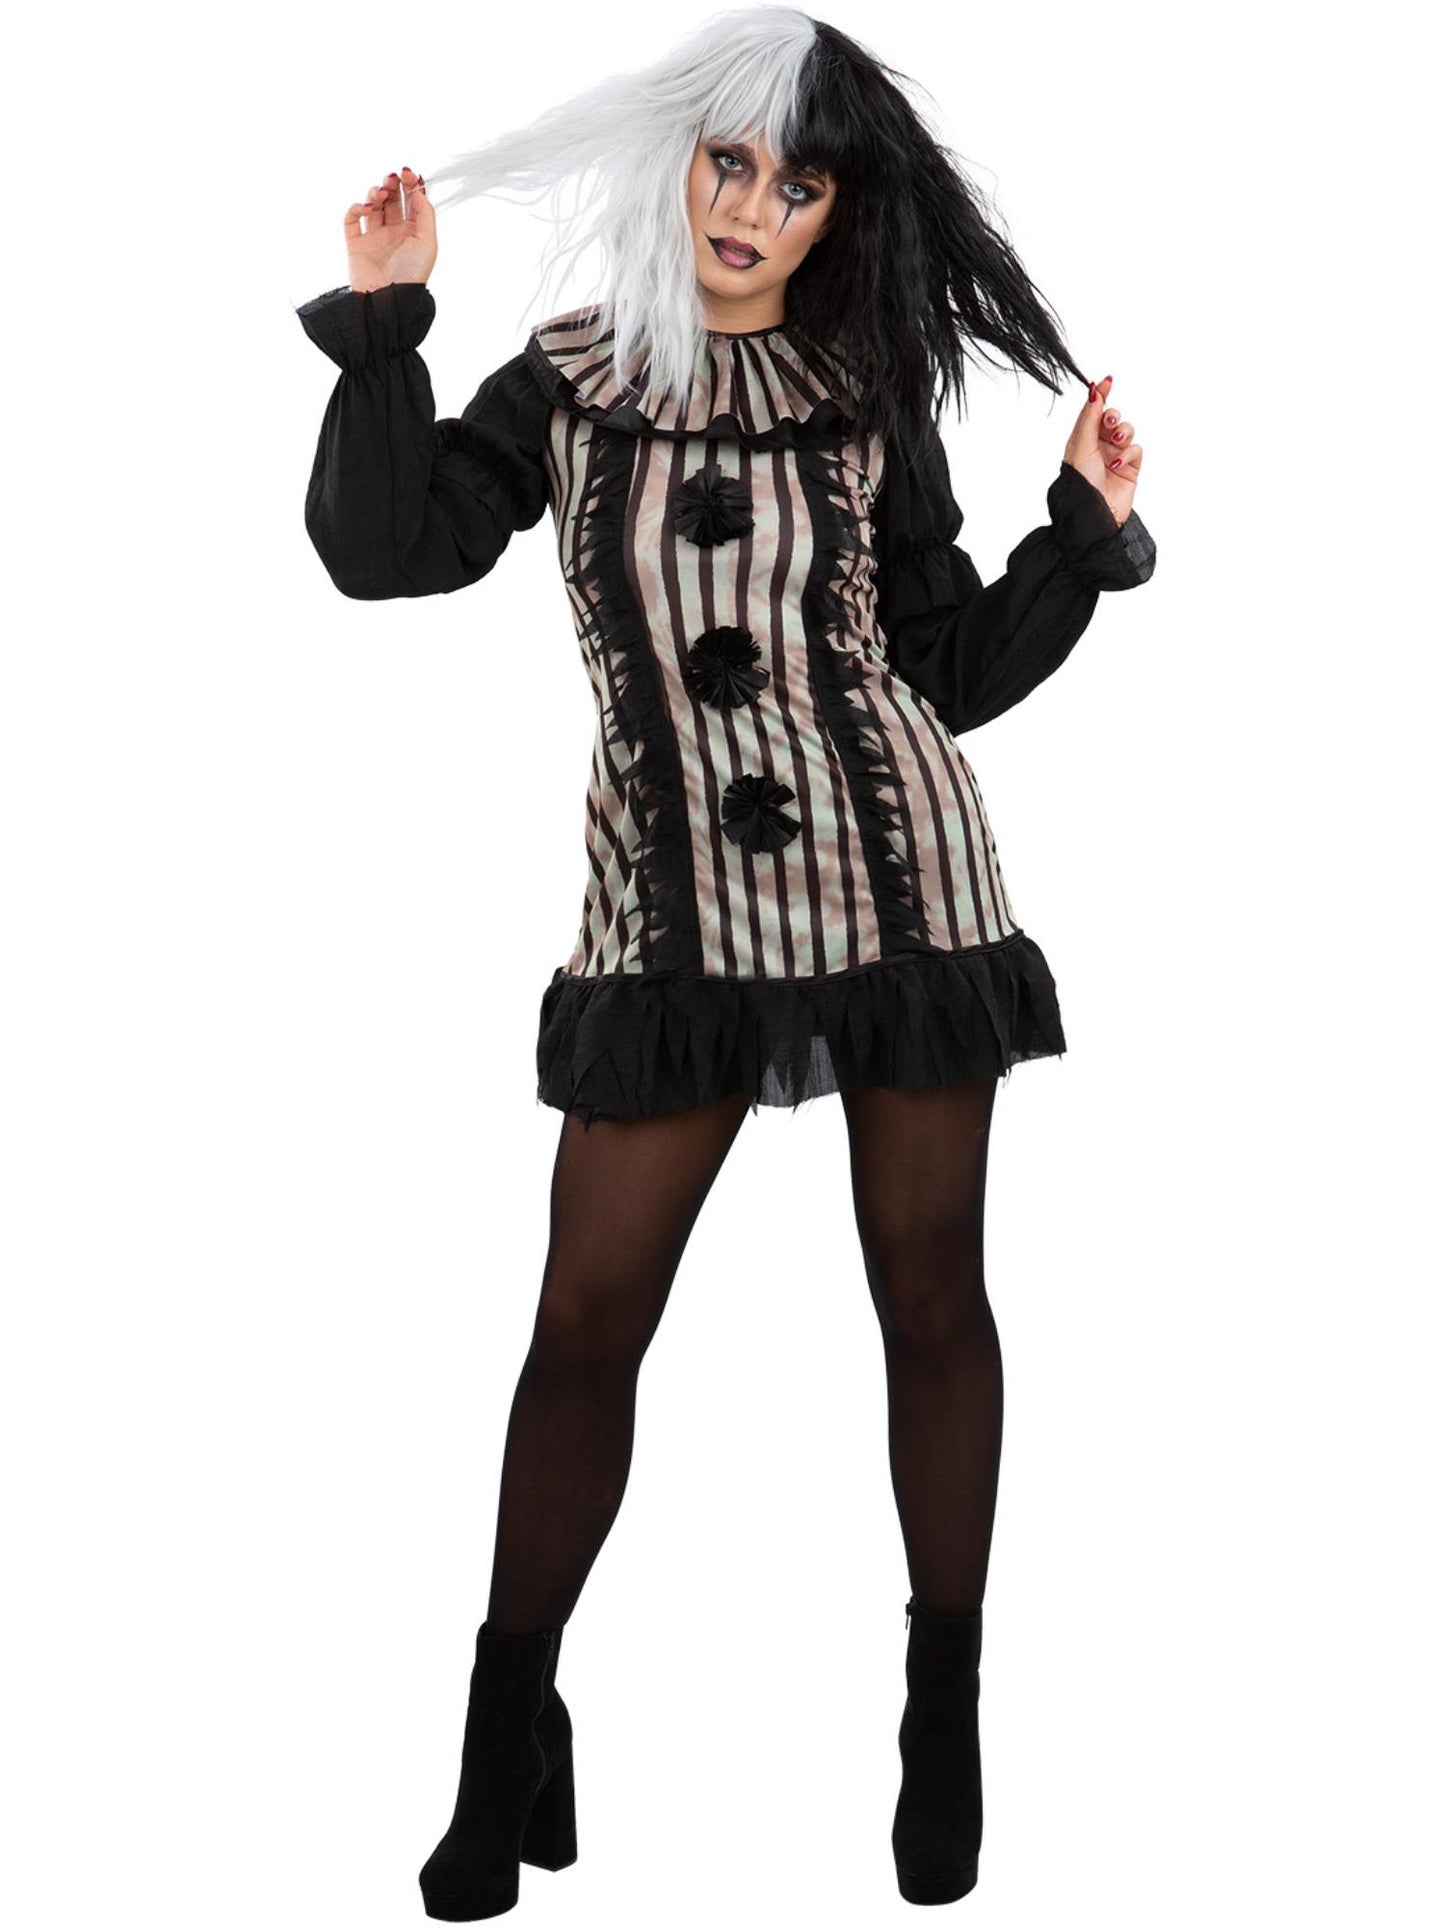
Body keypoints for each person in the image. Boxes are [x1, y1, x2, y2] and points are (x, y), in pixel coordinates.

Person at [294, 7, 1156, 1916]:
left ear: (840, 211)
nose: (753, 207)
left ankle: (943, 1720)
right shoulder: (571, 377)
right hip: (669, 913)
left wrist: (1079, 536)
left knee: (930, 1297)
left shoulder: (865, 391)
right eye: (732, 162)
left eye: (799, 182)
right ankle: (502, 1732)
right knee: (582, 1327)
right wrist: (384, 327)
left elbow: (939, 672)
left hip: (902, 891)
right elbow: (381, 552)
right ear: (680, 161)